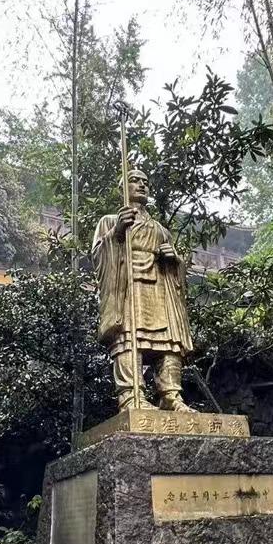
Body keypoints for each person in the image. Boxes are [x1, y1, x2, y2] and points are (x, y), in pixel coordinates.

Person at [91, 168, 194, 412]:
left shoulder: (161, 229)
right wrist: (116, 233)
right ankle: (131, 396)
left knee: (170, 343)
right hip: (128, 288)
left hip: (159, 290)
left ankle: (171, 396)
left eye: (145, 182)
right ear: (122, 189)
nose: (141, 185)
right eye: (134, 181)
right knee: (128, 339)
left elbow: (177, 270)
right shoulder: (109, 221)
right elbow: (97, 257)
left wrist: (174, 261)